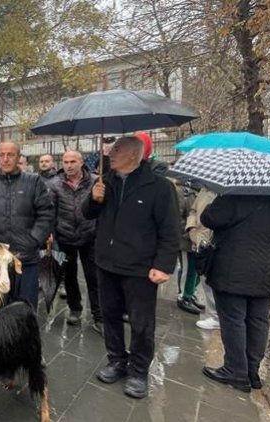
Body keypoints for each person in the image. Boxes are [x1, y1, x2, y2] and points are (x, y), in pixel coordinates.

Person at [82, 135, 180, 399]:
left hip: (140, 268)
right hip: (106, 263)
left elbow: (171, 230)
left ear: (134, 155)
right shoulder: (105, 183)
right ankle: (116, 360)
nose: (110, 153)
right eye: (112, 149)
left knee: (141, 324)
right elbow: (87, 214)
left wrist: (163, 265)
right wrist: (93, 198)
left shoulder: (159, 187)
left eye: (117, 150)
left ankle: (138, 371)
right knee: (110, 316)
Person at [201, 194, 270, 392]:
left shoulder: (235, 194)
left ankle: (235, 370)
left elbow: (209, 218)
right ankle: (251, 370)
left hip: (234, 268)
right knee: (258, 320)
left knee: (233, 319)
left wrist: (215, 202)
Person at [0, 142, 54, 308]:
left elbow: (46, 215)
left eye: (11, 155)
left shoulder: (34, 182)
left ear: (18, 157)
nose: (6, 159)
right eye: (2, 155)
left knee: (25, 310)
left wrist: (32, 240)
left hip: (26, 260)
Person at [47, 150, 101, 333]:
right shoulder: (55, 184)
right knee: (69, 276)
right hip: (65, 237)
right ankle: (75, 308)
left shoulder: (95, 181)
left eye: (72, 161)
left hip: (90, 236)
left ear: (81, 162)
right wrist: (51, 234)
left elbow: (102, 209)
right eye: (65, 162)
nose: (69, 165)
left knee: (93, 276)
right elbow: (50, 213)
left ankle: (98, 315)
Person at [186, 188, 220, 330]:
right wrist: (192, 228)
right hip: (199, 239)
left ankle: (216, 316)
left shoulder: (224, 194)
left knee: (211, 279)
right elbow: (193, 210)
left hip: (214, 242)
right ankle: (214, 314)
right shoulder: (205, 190)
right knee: (203, 277)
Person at [174, 180, 202, 314]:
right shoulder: (183, 193)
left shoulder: (201, 193)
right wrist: (188, 232)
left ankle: (190, 293)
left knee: (195, 270)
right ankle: (184, 296)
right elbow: (177, 217)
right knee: (187, 268)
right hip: (186, 240)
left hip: (198, 240)